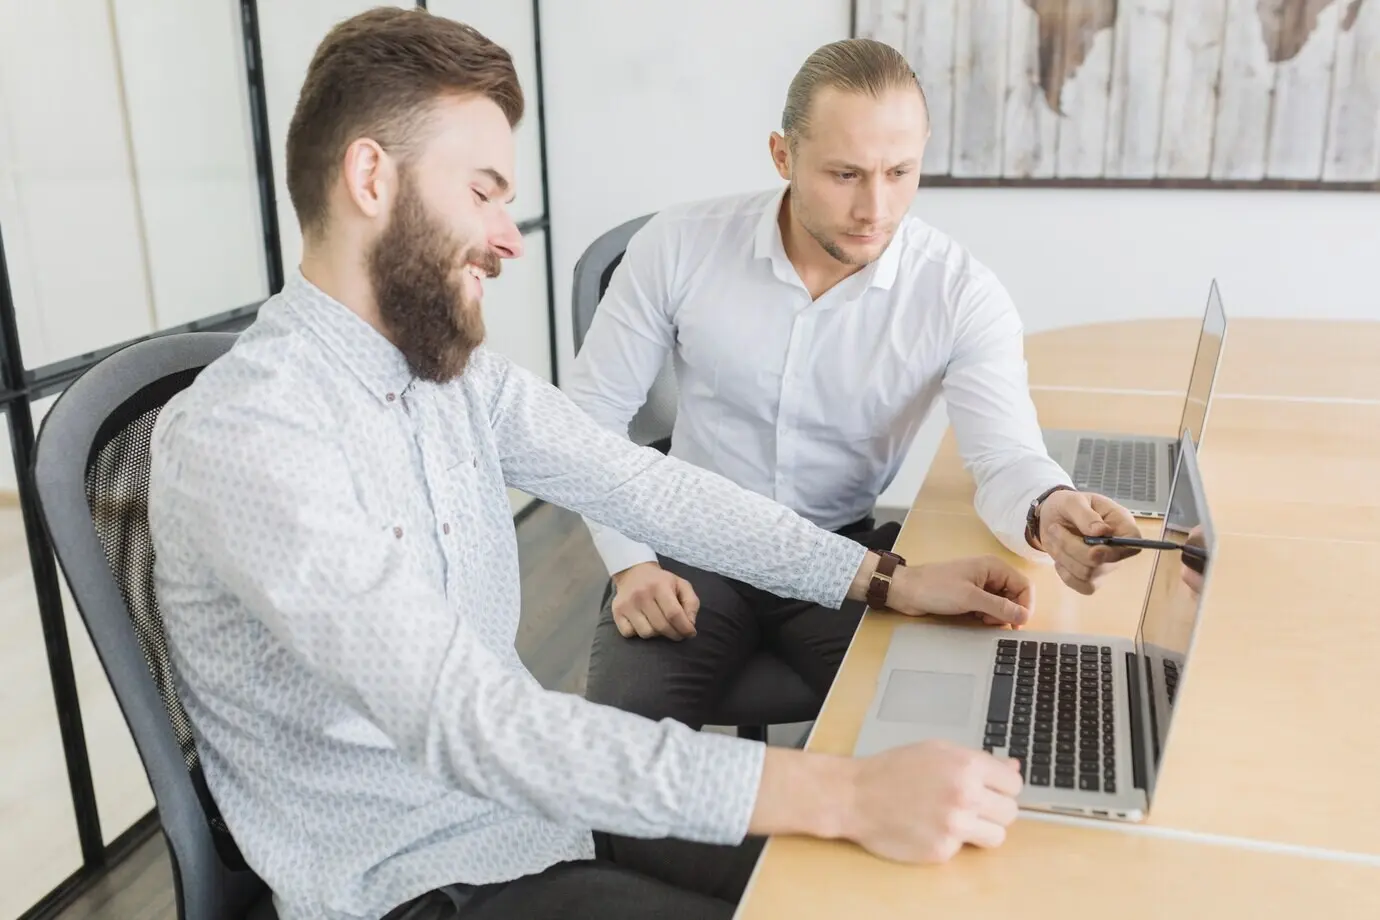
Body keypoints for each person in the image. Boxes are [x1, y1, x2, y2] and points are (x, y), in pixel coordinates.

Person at [148, 11, 1034, 920]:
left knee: (892, 890)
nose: (509, 238)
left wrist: (884, 579)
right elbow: (470, 722)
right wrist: (845, 791)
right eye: (484, 194)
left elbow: (650, 487)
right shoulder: (249, 435)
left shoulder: (455, 380)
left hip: (542, 818)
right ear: (372, 178)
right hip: (416, 880)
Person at [564, 38, 1143, 729]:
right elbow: (589, 415)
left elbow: (1004, 455)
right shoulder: (680, 243)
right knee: (620, 745)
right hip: (690, 547)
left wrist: (1049, 507)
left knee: (954, 723)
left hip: (846, 556)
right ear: (783, 156)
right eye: (845, 174)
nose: (876, 207)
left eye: (900, 172)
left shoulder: (960, 292)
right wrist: (630, 563)